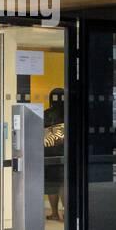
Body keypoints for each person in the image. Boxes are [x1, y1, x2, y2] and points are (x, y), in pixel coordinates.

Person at [44, 87, 66, 221]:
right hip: (66, 151)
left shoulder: (46, 114)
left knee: (52, 184)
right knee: (64, 183)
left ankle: (54, 213)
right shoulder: (70, 113)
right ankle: (66, 213)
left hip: (49, 153)